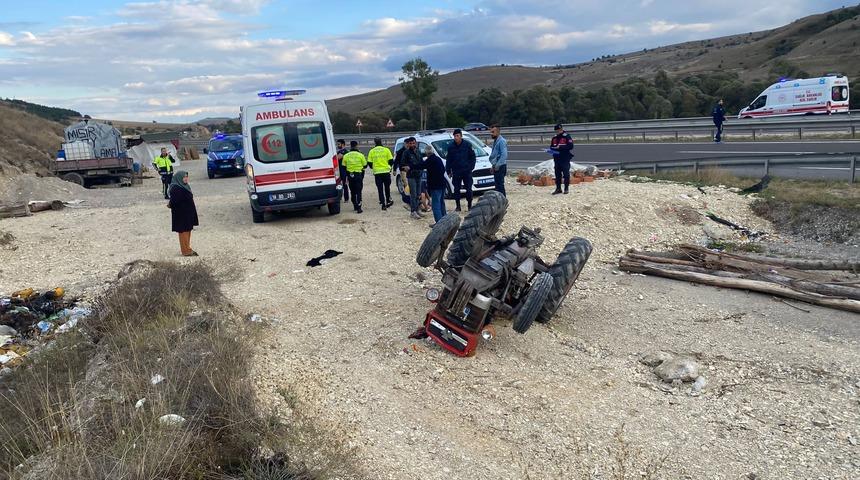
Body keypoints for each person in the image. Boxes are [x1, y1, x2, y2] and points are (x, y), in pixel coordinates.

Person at [166, 170, 198, 257]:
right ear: (179, 178)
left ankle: (188, 248)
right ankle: (185, 251)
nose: (186, 178)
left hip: (187, 213)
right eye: (184, 177)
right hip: (181, 214)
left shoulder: (184, 186)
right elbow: (173, 201)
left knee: (188, 230)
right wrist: (170, 204)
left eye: (187, 177)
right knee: (183, 231)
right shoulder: (176, 188)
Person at [445, 129, 476, 211]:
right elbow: (449, 160)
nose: (456, 138)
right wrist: (448, 170)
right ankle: (458, 206)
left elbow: (472, 157)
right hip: (456, 171)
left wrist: (471, 167)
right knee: (456, 189)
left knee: (469, 189)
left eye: (457, 136)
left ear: (461, 136)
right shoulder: (451, 147)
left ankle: (469, 205)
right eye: (455, 136)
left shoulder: (467, 145)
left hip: (466, 171)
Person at [401, 137, 426, 219]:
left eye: (413, 143)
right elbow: (402, 164)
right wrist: (406, 167)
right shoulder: (406, 153)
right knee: (413, 193)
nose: (412, 145)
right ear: (409, 144)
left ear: (415, 143)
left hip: (419, 175)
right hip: (411, 176)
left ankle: (418, 209)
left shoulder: (418, 151)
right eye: (410, 143)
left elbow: (421, 162)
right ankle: (413, 211)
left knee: (419, 193)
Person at [367, 137, 394, 210]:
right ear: (381, 141)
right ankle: (388, 200)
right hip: (386, 172)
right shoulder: (386, 150)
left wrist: (374, 168)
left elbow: (369, 163)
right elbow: (391, 161)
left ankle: (383, 204)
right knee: (387, 187)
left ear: (374, 142)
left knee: (380, 189)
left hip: (377, 173)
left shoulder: (372, 151)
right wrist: (389, 167)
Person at [342, 140, 368, 213]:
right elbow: (365, 166)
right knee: (359, 191)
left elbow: (343, 166)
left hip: (350, 175)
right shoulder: (360, 155)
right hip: (358, 175)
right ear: (357, 146)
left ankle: (355, 206)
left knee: (352, 191)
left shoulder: (346, 155)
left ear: (350, 146)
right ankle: (359, 208)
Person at [424, 145, 447, 224]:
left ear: (426, 153)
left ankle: (439, 223)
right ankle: (445, 220)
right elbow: (443, 170)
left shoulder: (429, 160)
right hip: (442, 183)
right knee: (441, 202)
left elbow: (421, 166)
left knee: (436, 205)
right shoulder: (438, 159)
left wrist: (411, 167)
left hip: (435, 185)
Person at [548, 123, 574, 195]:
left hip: (565, 157)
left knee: (566, 174)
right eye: (557, 130)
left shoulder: (566, 136)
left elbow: (571, 146)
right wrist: (550, 150)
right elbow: (551, 146)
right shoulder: (554, 138)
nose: (558, 131)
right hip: (556, 158)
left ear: (562, 129)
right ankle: (558, 188)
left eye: (559, 130)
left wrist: (560, 147)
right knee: (557, 174)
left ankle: (566, 188)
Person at [488, 124, 508, 197]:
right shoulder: (496, 141)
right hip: (497, 166)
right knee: (497, 186)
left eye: (493, 132)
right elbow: (496, 155)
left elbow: (504, 155)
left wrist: (497, 166)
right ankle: (499, 202)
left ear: (498, 132)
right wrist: (493, 166)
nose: (491, 134)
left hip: (500, 166)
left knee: (500, 186)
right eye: (491, 132)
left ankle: (503, 202)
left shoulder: (501, 141)